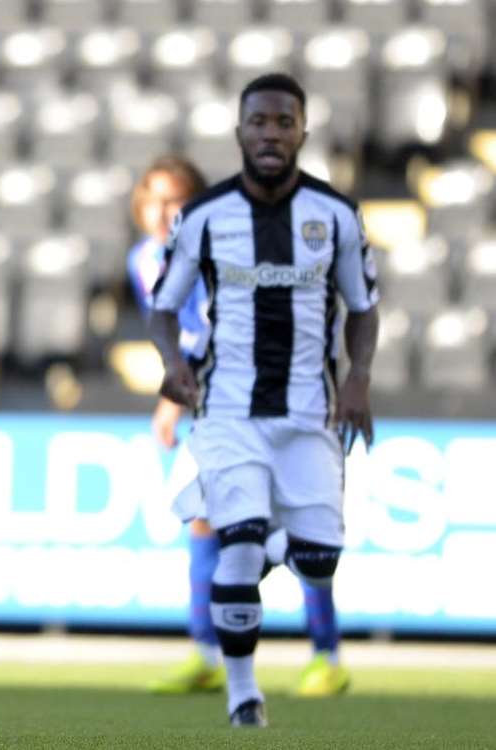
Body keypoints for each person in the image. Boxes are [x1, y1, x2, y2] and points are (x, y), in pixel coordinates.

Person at [149, 73, 379, 728]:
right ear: (240, 132)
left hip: (310, 410)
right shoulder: (204, 217)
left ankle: (270, 547)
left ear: (303, 131)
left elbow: (364, 308)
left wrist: (359, 373)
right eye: (260, 122)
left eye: (284, 122)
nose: (272, 133)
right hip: (227, 410)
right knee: (240, 538)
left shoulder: (336, 215)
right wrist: (172, 365)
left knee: (317, 559)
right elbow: (164, 309)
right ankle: (243, 696)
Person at [129, 156, 353, 699]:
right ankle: (207, 654)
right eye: (154, 200)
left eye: (176, 199)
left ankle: (327, 656)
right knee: (203, 518)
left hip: (278, 394)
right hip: (220, 403)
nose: (164, 212)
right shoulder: (143, 259)